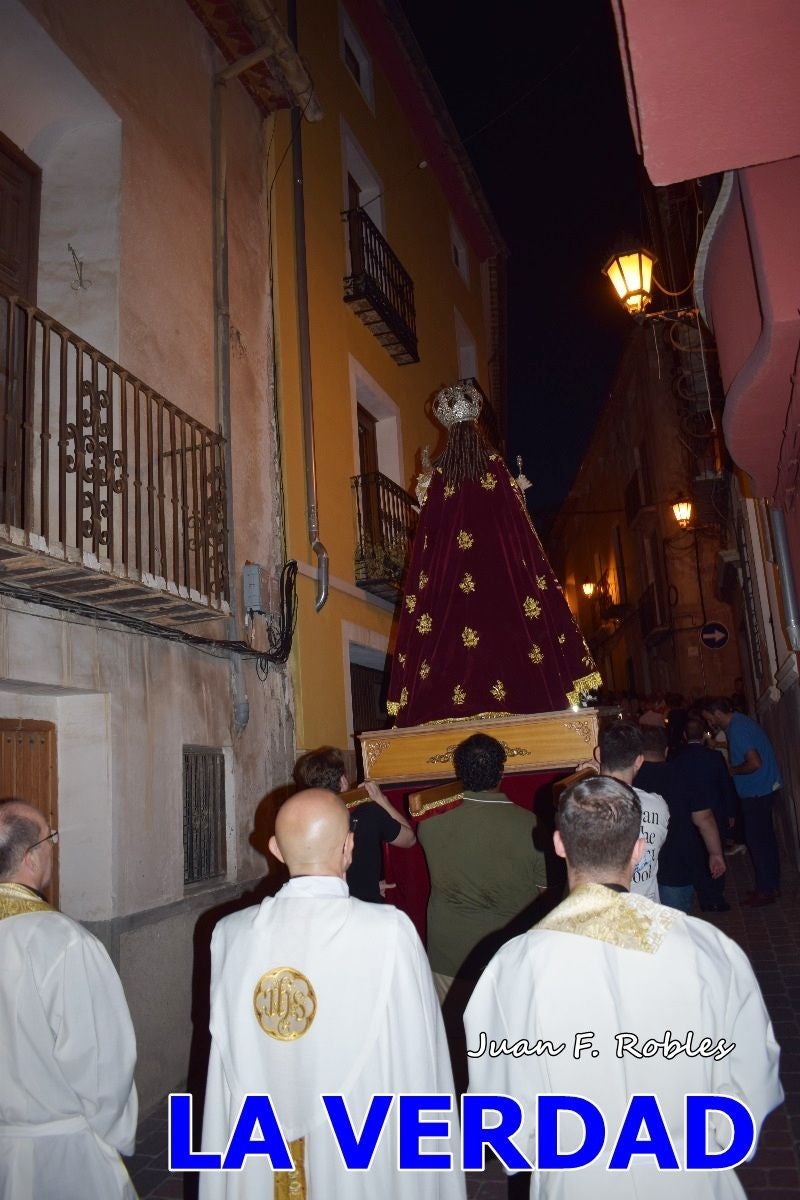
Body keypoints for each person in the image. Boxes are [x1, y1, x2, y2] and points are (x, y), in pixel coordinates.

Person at [464, 775, 784, 1200]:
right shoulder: (711, 950)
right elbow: (753, 1078)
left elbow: (498, 1109)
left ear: (559, 844)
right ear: (638, 849)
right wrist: (709, 1144)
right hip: (692, 1179)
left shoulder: (514, 965)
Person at [200, 789, 464, 1200]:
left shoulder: (230, 934)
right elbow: (419, 1058)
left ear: (275, 849)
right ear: (349, 847)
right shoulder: (389, 932)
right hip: (359, 1140)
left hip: (258, 1137)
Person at [0, 800, 138, 1199]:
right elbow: (103, 1065)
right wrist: (111, 1134)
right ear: (31, 858)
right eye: (51, 839)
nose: (53, 849)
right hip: (62, 1157)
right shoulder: (64, 943)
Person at [417, 732, 547, 1003]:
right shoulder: (532, 826)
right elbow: (545, 895)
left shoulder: (430, 826)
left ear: (459, 772)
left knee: (455, 1040)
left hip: (448, 958)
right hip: (508, 957)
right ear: (502, 772)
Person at [293, 746, 415, 902]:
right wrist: (382, 800)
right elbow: (409, 839)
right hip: (364, 908)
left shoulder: (302, 819)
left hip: (321, 905)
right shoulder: (369, 812)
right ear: (343, 781)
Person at [636, 725, 726, 913]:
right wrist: (715, 853)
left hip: (640, 867)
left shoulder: (630, 780)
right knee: (675, 926)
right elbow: (705, 819)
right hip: (678, 864)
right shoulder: (684, 775)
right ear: (666, 750)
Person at [704, 698, 782, 906]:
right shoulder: (740, 723)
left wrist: (733, 771)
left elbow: (754, 762)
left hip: (757, 791)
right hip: (763, 788)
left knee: (758, 843)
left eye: (709, 718)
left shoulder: (737, 729)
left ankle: (766, 890)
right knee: (765, 841)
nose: (710, 723)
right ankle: (770, 885)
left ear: (717, 713)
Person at [672, 717, 739, 911]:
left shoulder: (678, 759)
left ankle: (703, 894)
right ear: (703, 735)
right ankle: (716, 895)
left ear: (685, 736)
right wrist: (731, 811)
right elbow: (726, 785)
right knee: (716, 852)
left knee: (698, 854)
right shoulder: (714, 757)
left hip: (690, 813)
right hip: (715, 810)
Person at [597, 721, 668, 901]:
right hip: (646, 913)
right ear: (639, 760)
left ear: (598, 754)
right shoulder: (657, 804)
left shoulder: (582, 804)